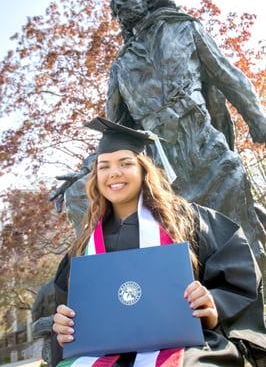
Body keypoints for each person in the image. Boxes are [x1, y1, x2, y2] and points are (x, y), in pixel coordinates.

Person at [52, 117, 266, 367]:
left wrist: (214, 304)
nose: (114, 173)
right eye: (104, 166)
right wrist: (64, 324)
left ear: (144, 169)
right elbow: (69, 310)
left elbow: (237, 279)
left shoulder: (189, 220)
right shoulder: (84, 246)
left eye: (125, 163)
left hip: (186, 348)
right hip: (103, 355)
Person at [106, 0, 266, 262]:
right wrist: (97, 165)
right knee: (186, 249)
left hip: (206, 148)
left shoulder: (184, 29)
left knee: (238, 237)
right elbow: (117, 128)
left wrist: (258, 120)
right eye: (116, 6)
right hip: (164, 166)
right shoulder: (120, 66)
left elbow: (229, 78)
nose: (121, 5)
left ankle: (250, 288)